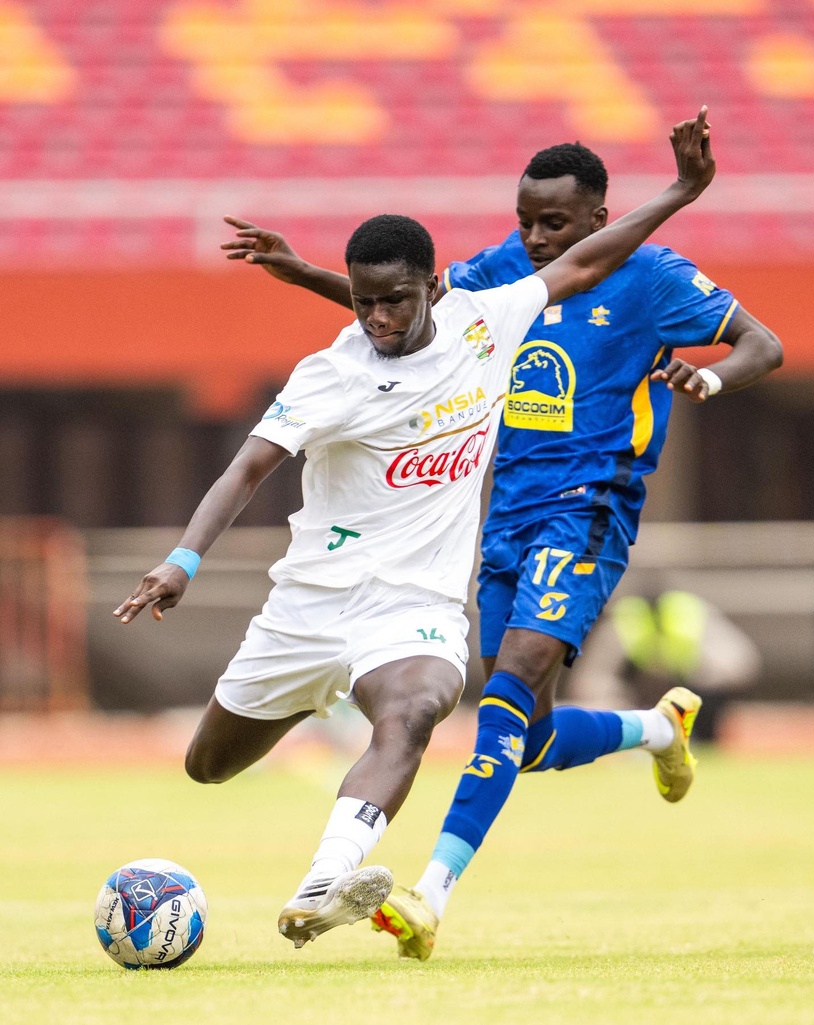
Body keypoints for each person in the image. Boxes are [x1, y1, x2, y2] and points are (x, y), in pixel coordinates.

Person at [115, 109, 718, 952]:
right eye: (363, 305)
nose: (377, 322)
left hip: (416, 605)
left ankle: (326, 882)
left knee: (421, 707)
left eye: (393, 302)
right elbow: (245, 467)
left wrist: (683, 191)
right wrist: (182, 560)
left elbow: (589, 258)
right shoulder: (332, 374)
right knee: (207, 765)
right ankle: (650, 728)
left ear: (438, 289)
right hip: (310, 604)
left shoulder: (486, 320)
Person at [566, 587, 763, 743]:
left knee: (706, 702)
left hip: (698, 688)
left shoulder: (692, 617)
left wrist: (697, 685)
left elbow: (738, 665)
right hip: (639, 700)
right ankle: (644, 738)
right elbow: (592, 679)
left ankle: (700, 743)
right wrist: (617, 702)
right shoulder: (625, 624)